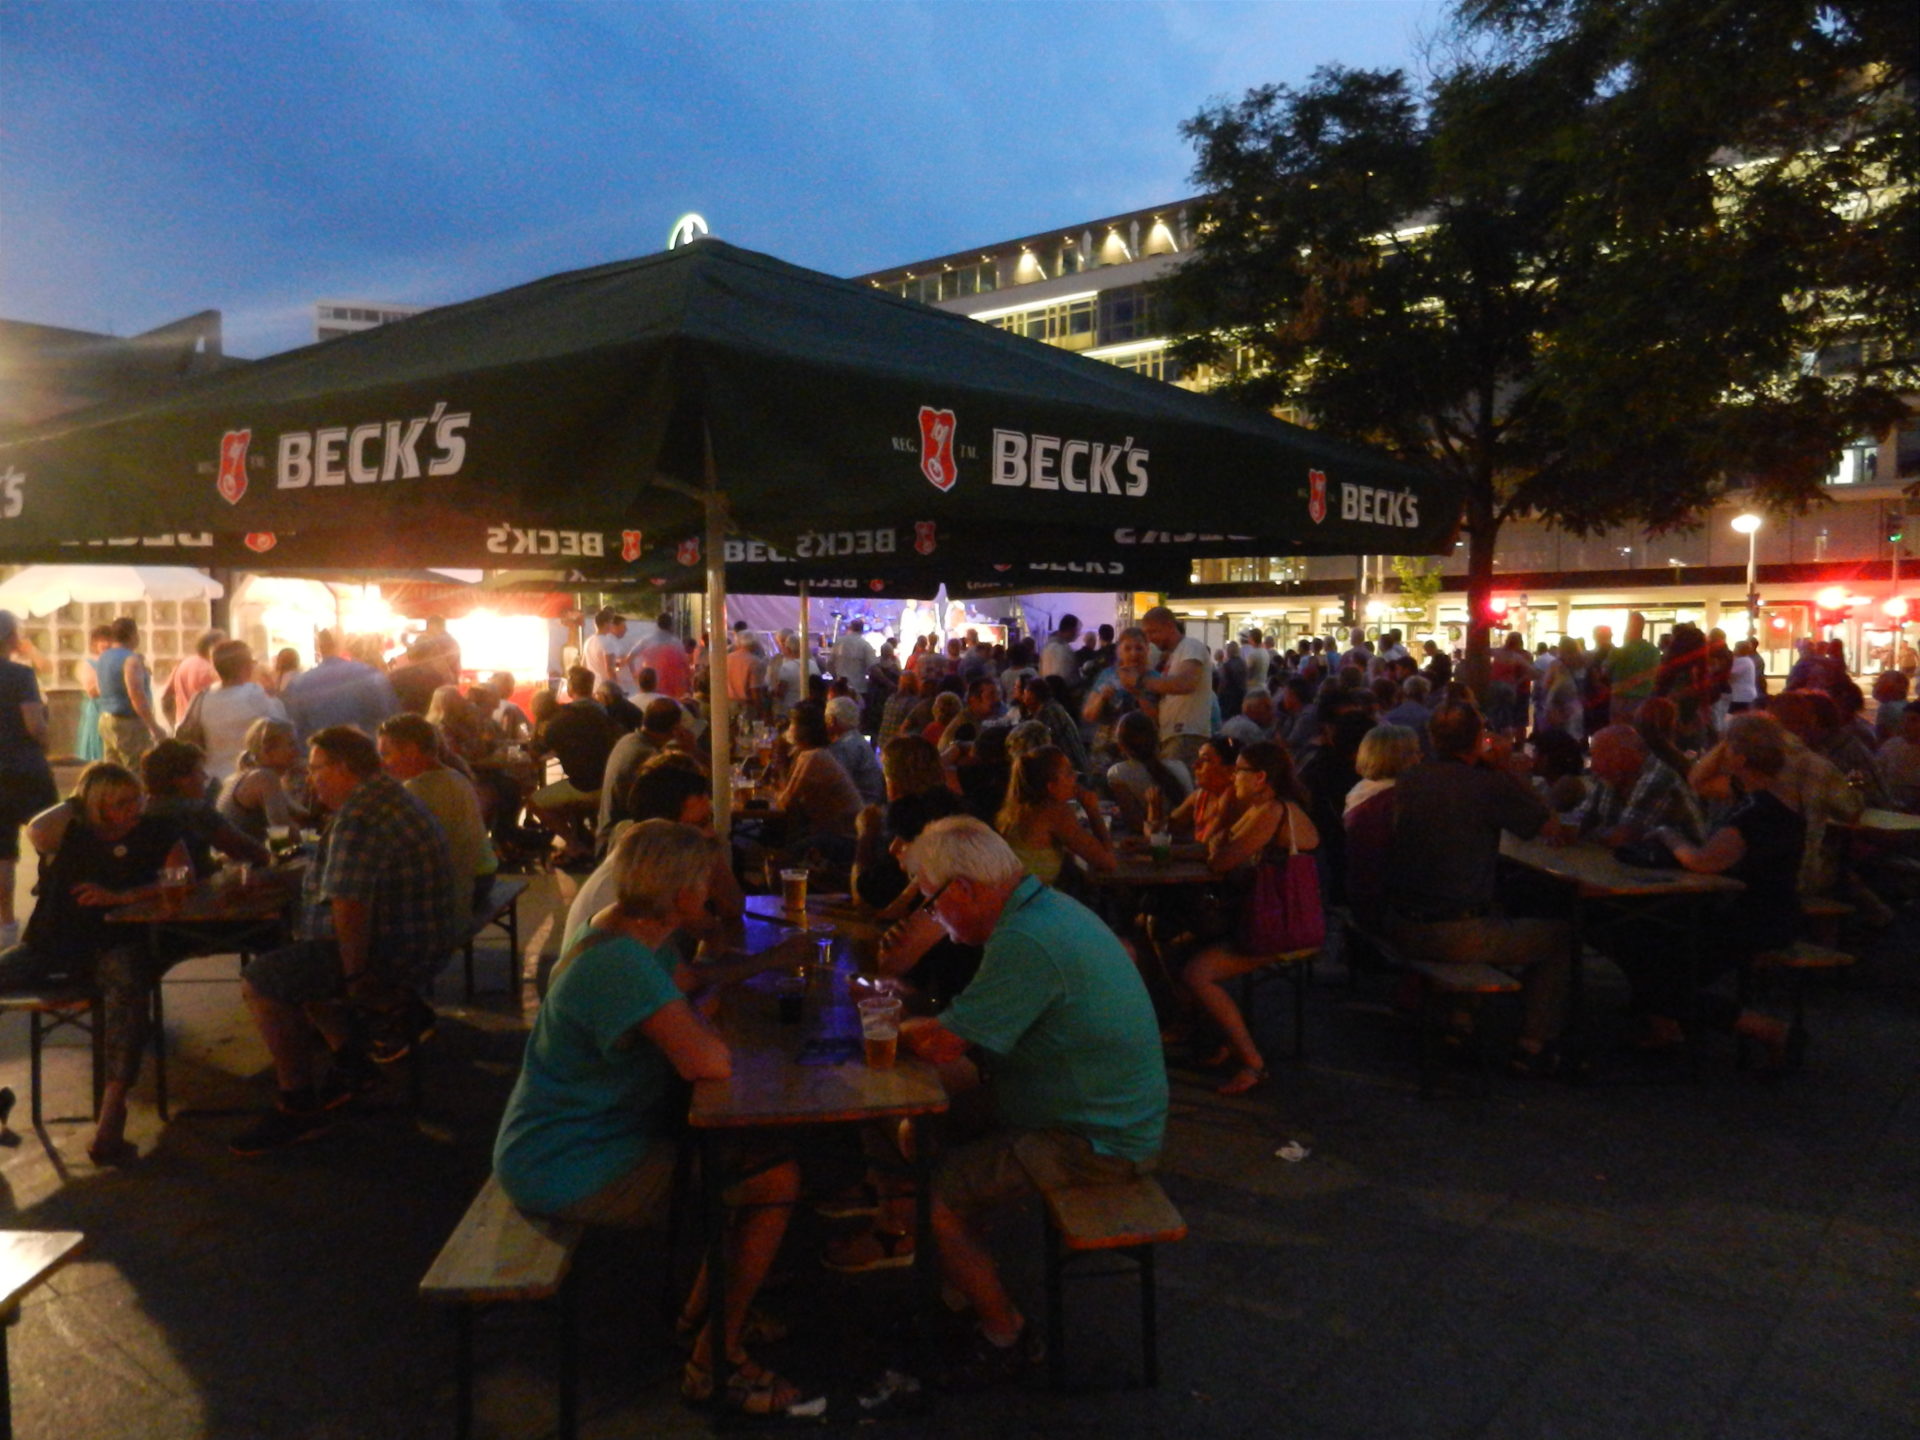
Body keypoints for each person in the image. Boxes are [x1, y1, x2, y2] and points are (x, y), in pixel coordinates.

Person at [493, 821, 813, 1414]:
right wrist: (700, 1017)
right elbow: (709, 1061)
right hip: (566, 1163)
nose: (713, 894)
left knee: (743, 1160)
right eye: (705, 884)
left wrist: (765, 961)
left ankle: (699, 1319)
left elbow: (688, 981)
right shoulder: (620, 964)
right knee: (772, 1179)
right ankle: (714, 1362)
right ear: (681, 895)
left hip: (566, 1138)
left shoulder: (622, 931)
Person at [835, 817, 1165, 1390]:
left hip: (1096, 1138)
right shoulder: (1044, 910)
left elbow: (942, 1044)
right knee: (920, 1130)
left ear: (963, 888)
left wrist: (882, 1020)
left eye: (931, 902)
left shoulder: (1025, 939)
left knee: (931, 1198)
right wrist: (908, 1012)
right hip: (1087, 1108)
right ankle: (963, 1278)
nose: (933, 916)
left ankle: (1005, 1333)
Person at [231, 726, 459, 1155]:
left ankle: (298, 1105)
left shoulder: (358, 817)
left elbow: (350, 906)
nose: (311, 778)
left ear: (343, 768)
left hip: (391, 952)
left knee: (261, 980)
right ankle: (354, 1063)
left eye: (318, 768)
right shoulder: (387, 797)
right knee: (297, 965)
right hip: (423, 938)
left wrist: (356, 978)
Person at [0, 763, 191, 1163]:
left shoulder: (158, 832)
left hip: (115, 941)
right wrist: (78, 801)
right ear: (95, 805)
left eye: (136, 799)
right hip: (51, 944)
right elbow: (37, 829)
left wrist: (122, 897)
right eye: (120, 802)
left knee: (127, 1001)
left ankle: (111, 1118)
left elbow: (180, 881)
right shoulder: (71, 832)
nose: (133, 809)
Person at [1384, 700, 1576, 1075]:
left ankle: (1460, 1020)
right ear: (1478, 740)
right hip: (1454, 935)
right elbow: (1548, 825)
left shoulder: (1410, 779)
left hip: (1400, 923)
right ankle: (1533, 1044)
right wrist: (1504, 768)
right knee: (1559, 938)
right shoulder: (1486, 785)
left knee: (1493, 906)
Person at [1620, 714, 1803, 1066]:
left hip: (1752, 920)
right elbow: (1697, 779)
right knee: (1646, 945)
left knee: (1652, 959)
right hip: (1765, 911)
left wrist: (1668, 836)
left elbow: (1704, 861)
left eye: (1727, 748)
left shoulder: (1756, 811)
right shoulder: (1769, 795)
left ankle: (1765, 1029)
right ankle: (1666, 1025)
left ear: (1741, 759)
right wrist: (1728, 743)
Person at [1183, 740, 1322, 1095]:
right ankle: (1219, 1037)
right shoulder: (1263, 808)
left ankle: (1252, 1061)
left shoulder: (1271, 812)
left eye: (1239, 771)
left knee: (1198, 972)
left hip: (1282, 927)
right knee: (1180, 939)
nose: (1233, 777)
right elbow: (1216, 844)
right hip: (1270, 918)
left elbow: (1219, 858)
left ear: (1259, 777)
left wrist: (1221, 830)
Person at [378, 713, 497, 911]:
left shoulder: (417, 789)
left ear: (411, 751)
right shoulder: (454, 776)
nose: (383, 763)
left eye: (386, 754)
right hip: (484, 874)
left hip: (465, 885)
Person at [0, 611, 57, 949]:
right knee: (53, 840)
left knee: (3, 854)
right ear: (10, 638)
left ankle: (6, 925)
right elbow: (34, 724)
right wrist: (47, 742)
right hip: (26, 769)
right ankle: (52, 915)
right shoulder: (20, 675)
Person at [527, 667, 623, 864]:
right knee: (564, 795)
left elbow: (534, 754)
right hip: (609, 782)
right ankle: (582, 835)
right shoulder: (598, 712)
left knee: (535, 802)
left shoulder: (556, 725)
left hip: (584, 787)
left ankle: (574, 844)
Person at [139, 739, 270, 875]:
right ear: (182, 780)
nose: (205, 777)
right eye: (199, 771)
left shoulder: (143, 811)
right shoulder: (195, 810)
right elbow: (253, 853)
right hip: (195, 886)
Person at [1563, 725, 1706, 848]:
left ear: (1626, 755)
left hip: (1680, 867)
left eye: (1600, 758)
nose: (1593, 766)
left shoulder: (1658, 779)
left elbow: (1624, 838)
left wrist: (1585, 833)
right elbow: (1581, 817)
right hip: (1638, 864)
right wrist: (1562, 826)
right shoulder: (1612, 776)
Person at [996, 745, 1115, 888]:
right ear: (1051, 787)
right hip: (1029, 899)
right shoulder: (1055, 812)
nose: (1075, 777)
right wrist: (1092, 809)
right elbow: (1108, 863)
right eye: (1069, 773)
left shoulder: (1016, 809)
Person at [596, 697, 697, 853]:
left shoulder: (628, 740)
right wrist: (692, 751)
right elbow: (680, 796)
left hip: (610, 836)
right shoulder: (649, 758)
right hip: (622, 846)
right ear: (675, 729)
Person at [1342, 724, 1421, 918]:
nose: (1421, 757)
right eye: (1415, 752)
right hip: (1391, 904)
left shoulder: (1360, 793)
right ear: (1400, 758)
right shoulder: (1394, 800)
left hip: (1362, 895)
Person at [772, 699, 861, 863]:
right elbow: (789, 796)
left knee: (781, 853)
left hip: (845, 839)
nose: (789, 729)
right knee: (774, 832)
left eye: (792, 724)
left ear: (803, 730)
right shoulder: (810, 754)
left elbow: (786, 802)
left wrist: (781, 762)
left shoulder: (814, 757)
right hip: (835, 832)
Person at [191, 639, 289, 786]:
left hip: (212, 779)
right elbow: (281, 723)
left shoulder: (202, 697)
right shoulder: (253, 694)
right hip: (247, 780)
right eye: (251, 661)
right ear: (244, 666)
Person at [280, 628, 400, 743]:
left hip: (318, 752)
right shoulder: (371, 676)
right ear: (342, 644)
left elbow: (296, 728)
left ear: (319, 647)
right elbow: (391, 719)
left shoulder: (299, 683)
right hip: (365, 751)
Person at [1138, 605, 1213, 767]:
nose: (1150, 638)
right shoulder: (1173, 656)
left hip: (1187, 734)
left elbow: (1186, 683)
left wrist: (1143, 682)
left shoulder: (1191, 646)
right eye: (1147, 634)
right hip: (1174, 736)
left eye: (1153, 632)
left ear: (1170, 626)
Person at [219, 717, 311, 842]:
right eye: (291, 744)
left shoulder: (241, 776)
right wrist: (318, 839)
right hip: (244, 854)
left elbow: (302, 816)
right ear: (268, 750)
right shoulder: (265, 778)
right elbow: (283, 831)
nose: (298, 751)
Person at [1104, 710, 1192, 834]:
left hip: (1157, 838)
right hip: (1186, 835)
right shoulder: (1179, 766)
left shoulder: (1118, 773)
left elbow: (1136, 825)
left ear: (1120, 744)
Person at [95, 617, 160, 768]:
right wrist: (154, 726)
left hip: (106, 719)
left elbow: (99, 689)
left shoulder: (103, 657)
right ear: (132, 635)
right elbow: (136, 695)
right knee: (137, 768)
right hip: (128, 722)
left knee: (113, 771)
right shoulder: (131, 659)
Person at [1168, 734, 1242, 844]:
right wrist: (1153, 811)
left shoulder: (1233, 798)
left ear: (1230, 770)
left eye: (1205, 760)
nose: (1195, 765)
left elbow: (1206, 846)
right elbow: (1168, 828)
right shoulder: (1201, 796)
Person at [824, 695, 884, 806]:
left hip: (858, 807)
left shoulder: (845, 747)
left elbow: (836, 785)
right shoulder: (856, 740)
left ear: (831, 720)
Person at [162, 628, 224, 728]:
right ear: (213, 647)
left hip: (182, 725)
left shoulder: (183, 664)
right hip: (203, 728)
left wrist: (173, 724)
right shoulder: (211, 672)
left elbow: (166, 697)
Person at [75, 623, 114, 764]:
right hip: (96, 710)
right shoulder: (88, 663)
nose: (106, 644)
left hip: (113, 711)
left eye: (109, 640)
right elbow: (91, 691)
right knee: (97, 751)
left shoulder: (117, 661)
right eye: (102, 640)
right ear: (94, 643)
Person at [635, 615, 690, 699]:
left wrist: (635, 674)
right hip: (671, 687)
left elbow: (630, 658)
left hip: (652, 685)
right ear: (671, 626)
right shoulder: (676, 644)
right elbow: (685, 665)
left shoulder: (647, 641)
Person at [581, 608, 634, 695]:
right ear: (606, 624)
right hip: (605, 689)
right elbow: (610, 669)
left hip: (593, 687)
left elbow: (583, 665)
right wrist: (617, 690)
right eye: (611, 623)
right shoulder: (607, 643)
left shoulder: (588, 641)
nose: (612, 625)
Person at [829, 620, 875, 706]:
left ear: (850, 628)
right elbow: (872, 667)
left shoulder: (839, 642)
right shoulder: (865, 645)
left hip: (840, 688)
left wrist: (835, 677)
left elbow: (830, 663)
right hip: (858, 689)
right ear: (862, 629)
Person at [1038, 614, 1081, 682]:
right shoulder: (1062, 650)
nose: (1078, 634)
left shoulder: (1047, 647)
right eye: (1077, 630)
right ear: (1071, 630)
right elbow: (1064, 676)